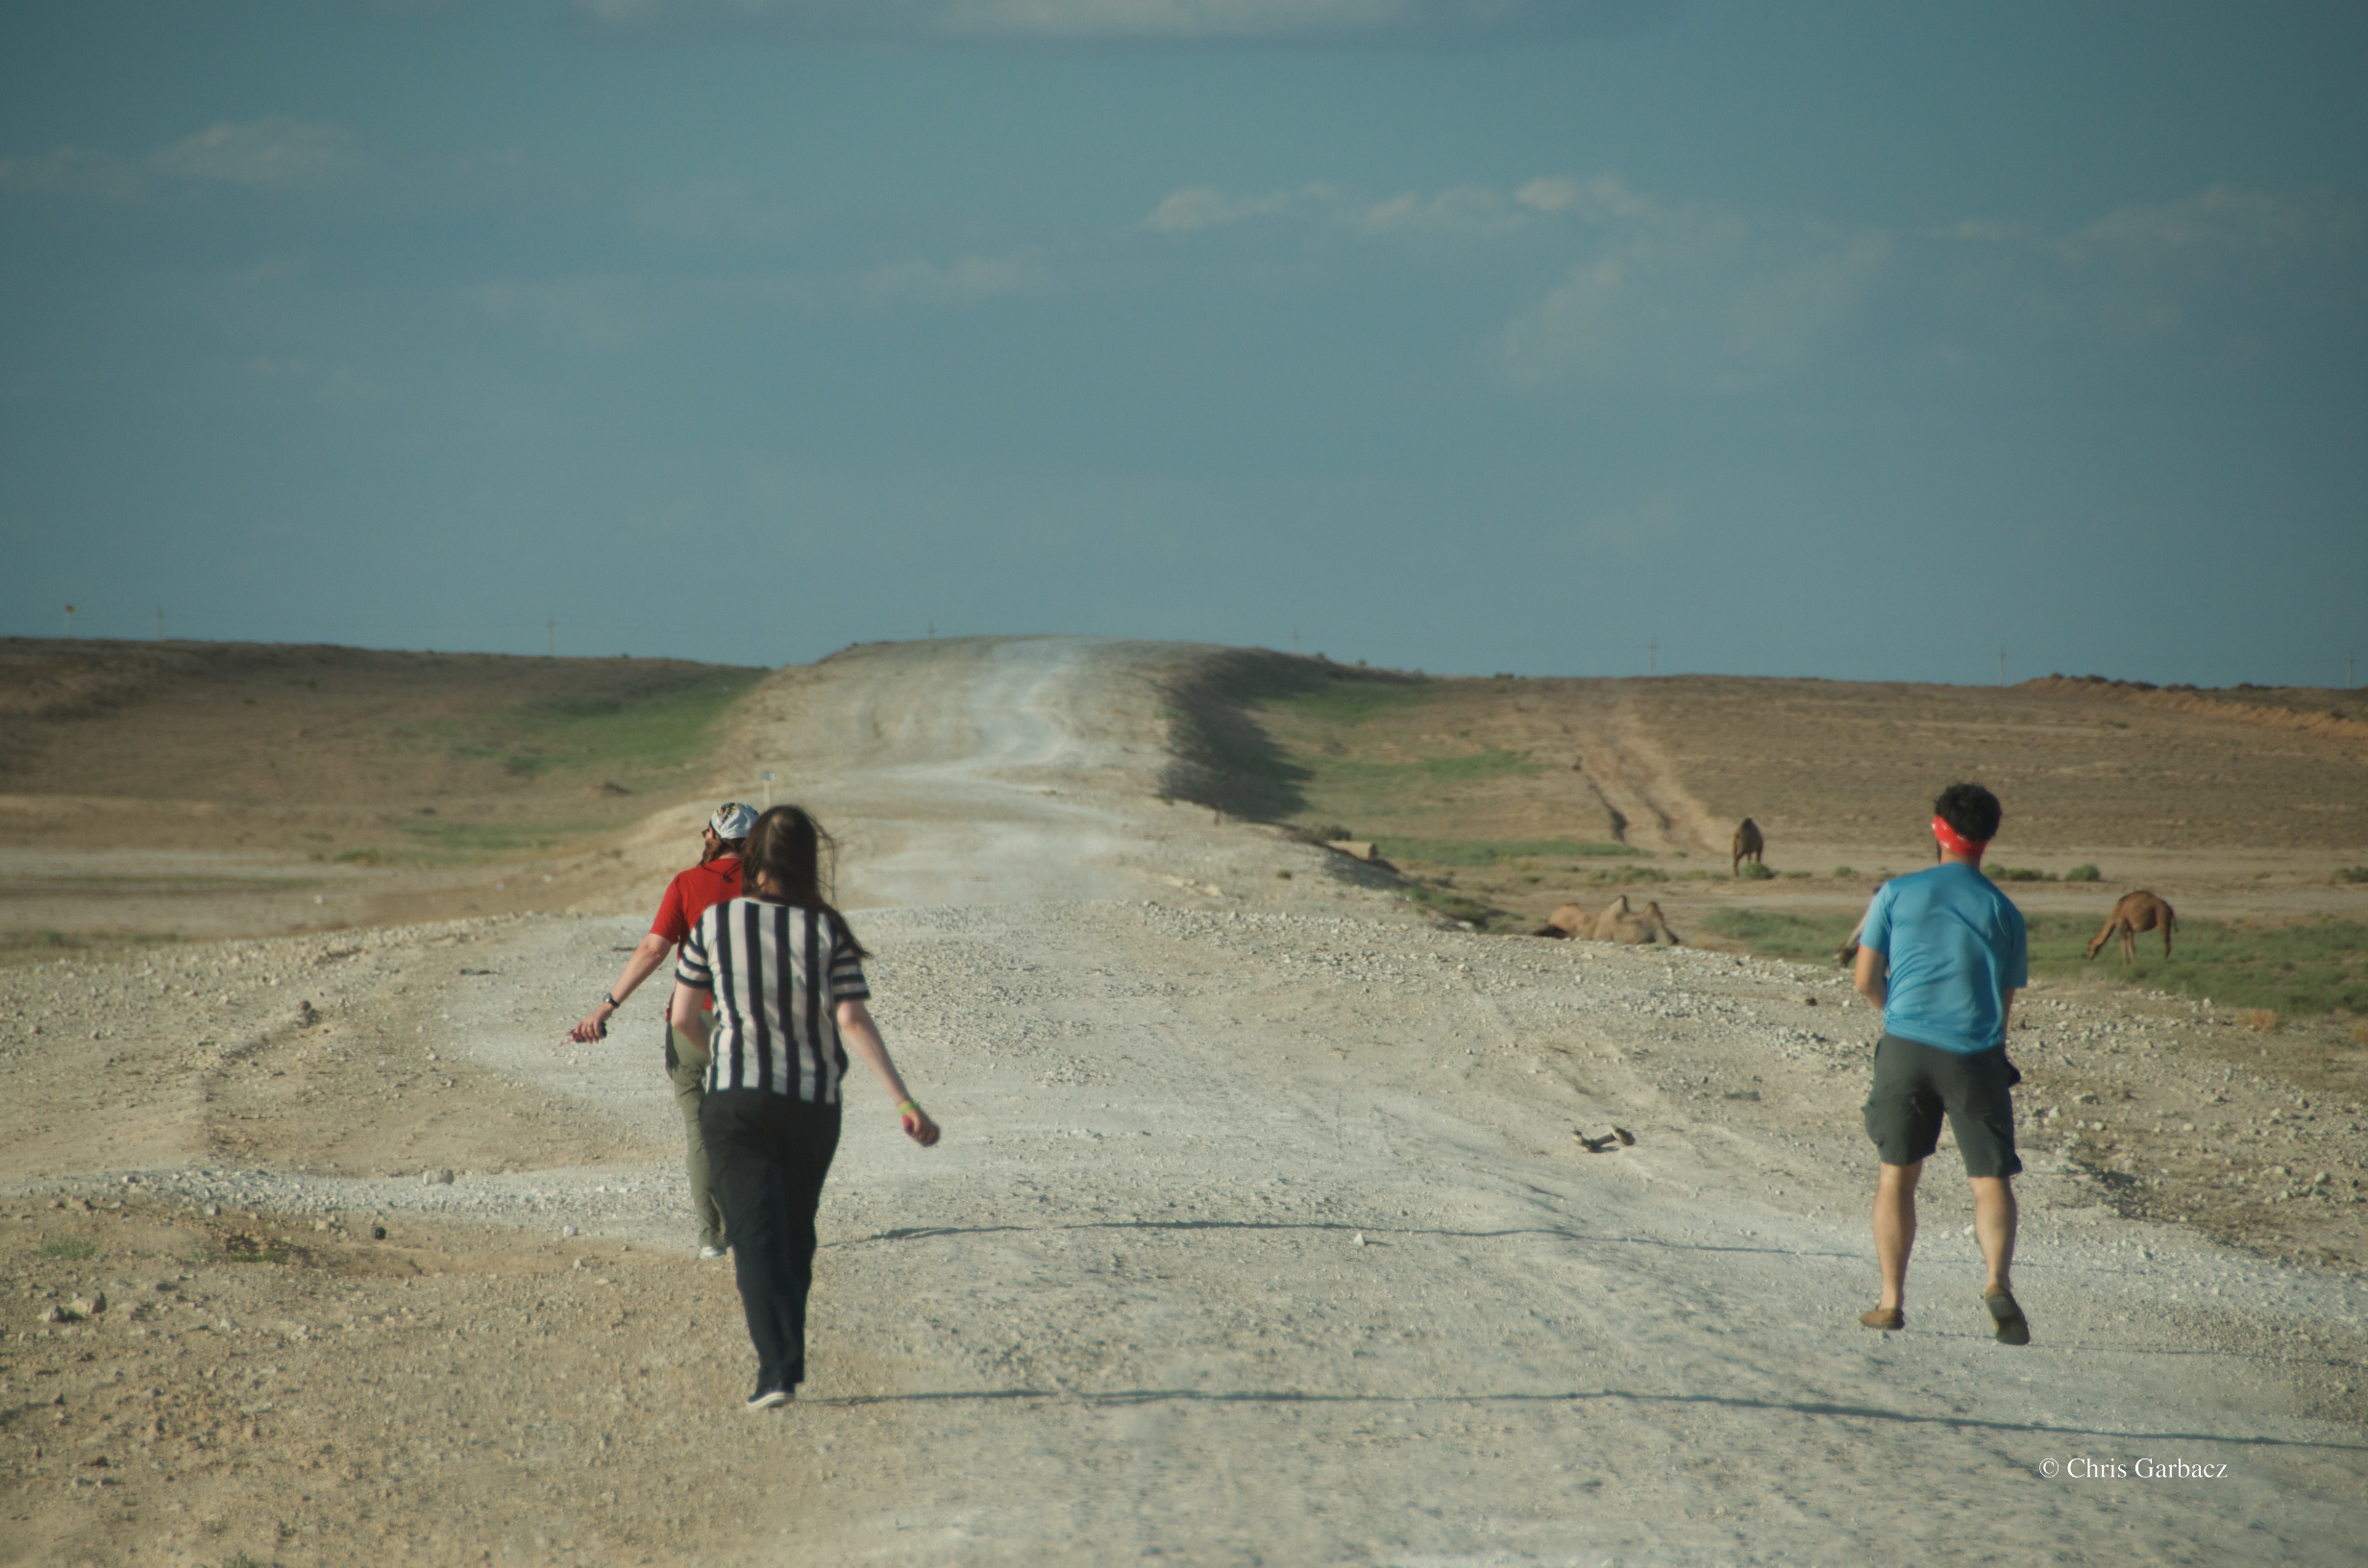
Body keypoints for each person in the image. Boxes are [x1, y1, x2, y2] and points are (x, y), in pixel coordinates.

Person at [669, 804, 940, 1409]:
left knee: (754, 1234)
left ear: (753, 858)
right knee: (796, 1231)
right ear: (809, 861)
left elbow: (684, 1017)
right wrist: (904, 1100)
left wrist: (727, 1056)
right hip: (812, 1102)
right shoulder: (825, 930)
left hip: (735, 1098)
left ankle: (777, 1371)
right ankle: (786, 1359)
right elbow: (852, 1018)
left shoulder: (715, 923)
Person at [1852, 782, 2032, 1345]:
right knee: (1990, 1180)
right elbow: (2003, 1008)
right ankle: (1996, 1281)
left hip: (1905, 1047)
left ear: (1937, 829)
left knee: (1896, 1177)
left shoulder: (1896, 894)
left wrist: (1900, 1016)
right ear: (1988, 838)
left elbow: (1865, 980)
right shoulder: (2005, 911)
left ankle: (1890, 1301)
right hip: (1975, 1054)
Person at [568, 802, 758, 1260]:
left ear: (713, 836)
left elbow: (653, 950)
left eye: (706, 831)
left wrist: (606, 1007)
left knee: (700, 1130)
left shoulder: (686, 883)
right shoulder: (770, 884)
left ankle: (712, 1238)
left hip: (691, 1020)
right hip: (753, 1024)